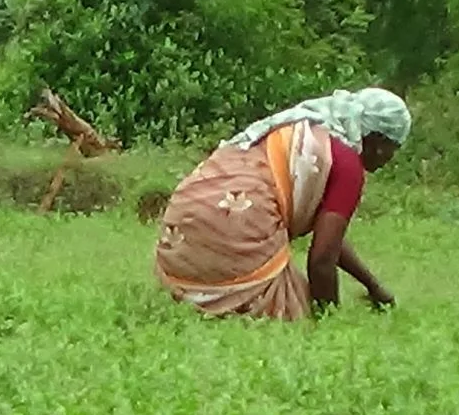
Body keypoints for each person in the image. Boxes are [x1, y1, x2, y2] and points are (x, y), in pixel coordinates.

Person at [154, 88, 410, 320]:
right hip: (237, 222)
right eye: (392, 147)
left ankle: (198, 299)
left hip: (184, 217)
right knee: (290, 311)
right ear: (376, 139)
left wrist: (373, 286)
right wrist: (328, 321)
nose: (390, 158)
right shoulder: (347, 165)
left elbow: (331, 239)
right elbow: (321, 260)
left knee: (211, 309)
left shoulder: (305, 133)